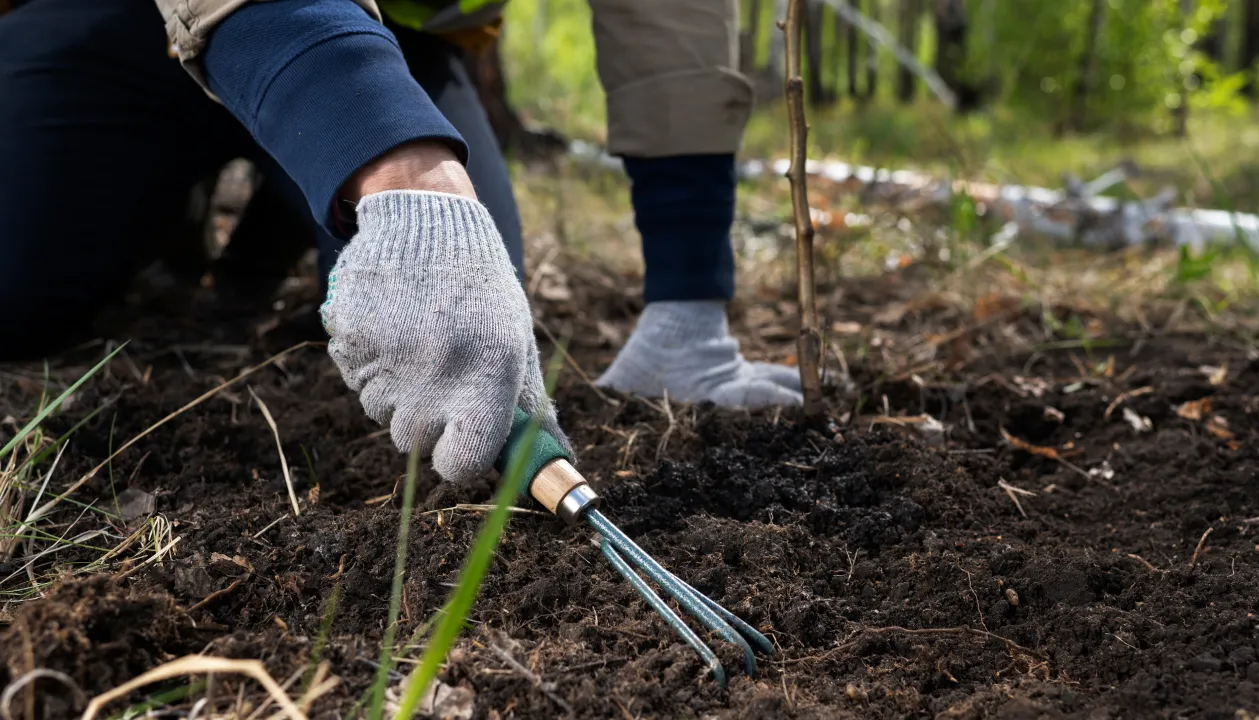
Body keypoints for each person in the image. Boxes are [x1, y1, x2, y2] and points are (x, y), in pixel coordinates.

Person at [0, 0, 803, 482]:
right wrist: (404, 173)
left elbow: (668, 25)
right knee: (17, 288)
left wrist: (687, 301)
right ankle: (176, 204)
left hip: (399, 44)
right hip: (122, 23)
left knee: (465, 353)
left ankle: (292, 202)